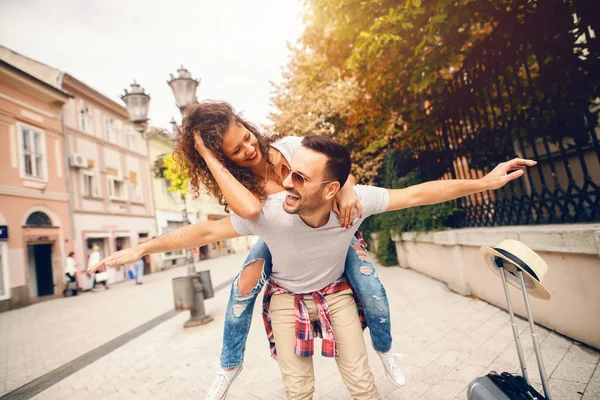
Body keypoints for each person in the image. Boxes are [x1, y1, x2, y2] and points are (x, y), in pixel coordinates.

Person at [89, 134, 535, 399]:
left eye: (301, 178)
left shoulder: (353, 206)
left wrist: (487, 181)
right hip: (284, 296)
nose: (286, 182)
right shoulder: (270, 211)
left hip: (336, 292)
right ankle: (229, 366)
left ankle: (386, 349)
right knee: (297, 389)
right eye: (290, 172)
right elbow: (204, 233)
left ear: (334, 189)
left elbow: (420, 193)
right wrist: (142, 248)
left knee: (361, 381)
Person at [174, 101, 404, 397]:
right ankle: (229, 366)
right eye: (235, 151)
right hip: (280, 242)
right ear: (224, 160)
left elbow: (337, 170)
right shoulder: (239, 183)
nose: (248, 148)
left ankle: (385, 349)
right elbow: (247, 208)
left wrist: (346, 189)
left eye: (245, 135)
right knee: (242, 289)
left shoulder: (291, 146)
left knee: (370, 286)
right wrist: (208, 155)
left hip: (329, 234)